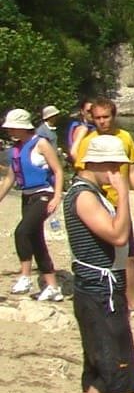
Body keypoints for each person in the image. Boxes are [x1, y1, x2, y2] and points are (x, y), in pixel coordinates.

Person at [58, 134, 134, 393]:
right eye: (115, 166)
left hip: (103, 286)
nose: (118, 172)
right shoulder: (84, 196)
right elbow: (118, 236)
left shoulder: (91, 192)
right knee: (114, 366)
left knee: (100, 361)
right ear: (98, 164)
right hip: (98, 289)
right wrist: (124, 196)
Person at [71, 99, 134, 316]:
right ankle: (113, 293)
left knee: (129, 253)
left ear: (114, 116)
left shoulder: (125, 137)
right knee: (108, 250)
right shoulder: (89, 142)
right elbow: (84, 172)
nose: (102, 121)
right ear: (92, 118)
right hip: (101, 203)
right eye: (98, 118)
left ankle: (132, 300)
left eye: (106, 116)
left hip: (120, 201)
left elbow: (131, 169)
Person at [3, 107, 64, 301]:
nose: (9, 131)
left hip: (43, 194)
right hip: (27, 196)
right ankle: (53, 287)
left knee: (22, 231)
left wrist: (57, 196)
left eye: (12, 128)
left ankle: (25, 276)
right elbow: (10, 178)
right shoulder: (16, 149)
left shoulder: (41, 143)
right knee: (36, 239)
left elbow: (58, 170)